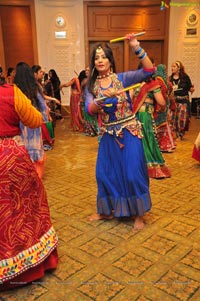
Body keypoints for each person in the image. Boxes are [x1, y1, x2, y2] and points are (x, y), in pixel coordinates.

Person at [84, 34, 155, 230]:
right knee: (104, 174)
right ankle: (106, 211)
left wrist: (135, 46)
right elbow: (88, 110)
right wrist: (99, 103)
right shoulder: (91, 86)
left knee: (133, 173)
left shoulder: (123, 79)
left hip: (129, 131)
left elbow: (149, 70)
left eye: (103, 57)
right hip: (108, 135)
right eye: (96, 57)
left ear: (110, 60)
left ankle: (138, 214)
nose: (99, 60)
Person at [0, 79, 58, 291]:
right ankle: (27, 264)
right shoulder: (10, 93)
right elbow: (34, 120)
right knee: (26, 204)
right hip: (10, 155)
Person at [132, 66, 171, 179]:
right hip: (145, 116)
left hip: (135, 116)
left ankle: (138, 166)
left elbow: (130, 99)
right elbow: (161, 102)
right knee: (149, 138)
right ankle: (151, 165)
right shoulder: (153, 84)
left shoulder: (136, 84)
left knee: (138, 139)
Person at [14, 62, 48, 178]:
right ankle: (36, 179)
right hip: (33, 126)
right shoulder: (34, 89)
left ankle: (26, 178)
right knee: (36, 153)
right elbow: (43, 109)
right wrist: (42, 119)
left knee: (24, 153)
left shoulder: (15, 91)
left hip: (20, 127)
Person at [169, 60, 195, 140]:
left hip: (183, 101)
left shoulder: (185, 77)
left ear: (179, 68)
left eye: (174, 66)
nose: (172, 68)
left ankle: (180, 134)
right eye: (172, 66)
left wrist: (192, 89)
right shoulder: (170, 78)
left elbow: (190, 88)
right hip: (174, 101)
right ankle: (173, 133)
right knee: (172, 118)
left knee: (182, 119)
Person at [153, 64, 176, 153]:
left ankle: (158, 145)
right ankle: (166, 145)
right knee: (164, 125)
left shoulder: (157, 81)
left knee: (157, 126)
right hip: (165, 106)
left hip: (158, 107)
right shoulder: (168, 83)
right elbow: (171, 96)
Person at [79, 67, 98, 136]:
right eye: (85, 70)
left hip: (92, 100)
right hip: (85, 99)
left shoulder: (94, 80)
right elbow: (81, 91)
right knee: (86, 115)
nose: (86, 71)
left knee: (93, 115)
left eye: (88, 70)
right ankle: (90, 130)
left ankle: (95, 129)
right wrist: (81, 99)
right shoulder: (84, 80)